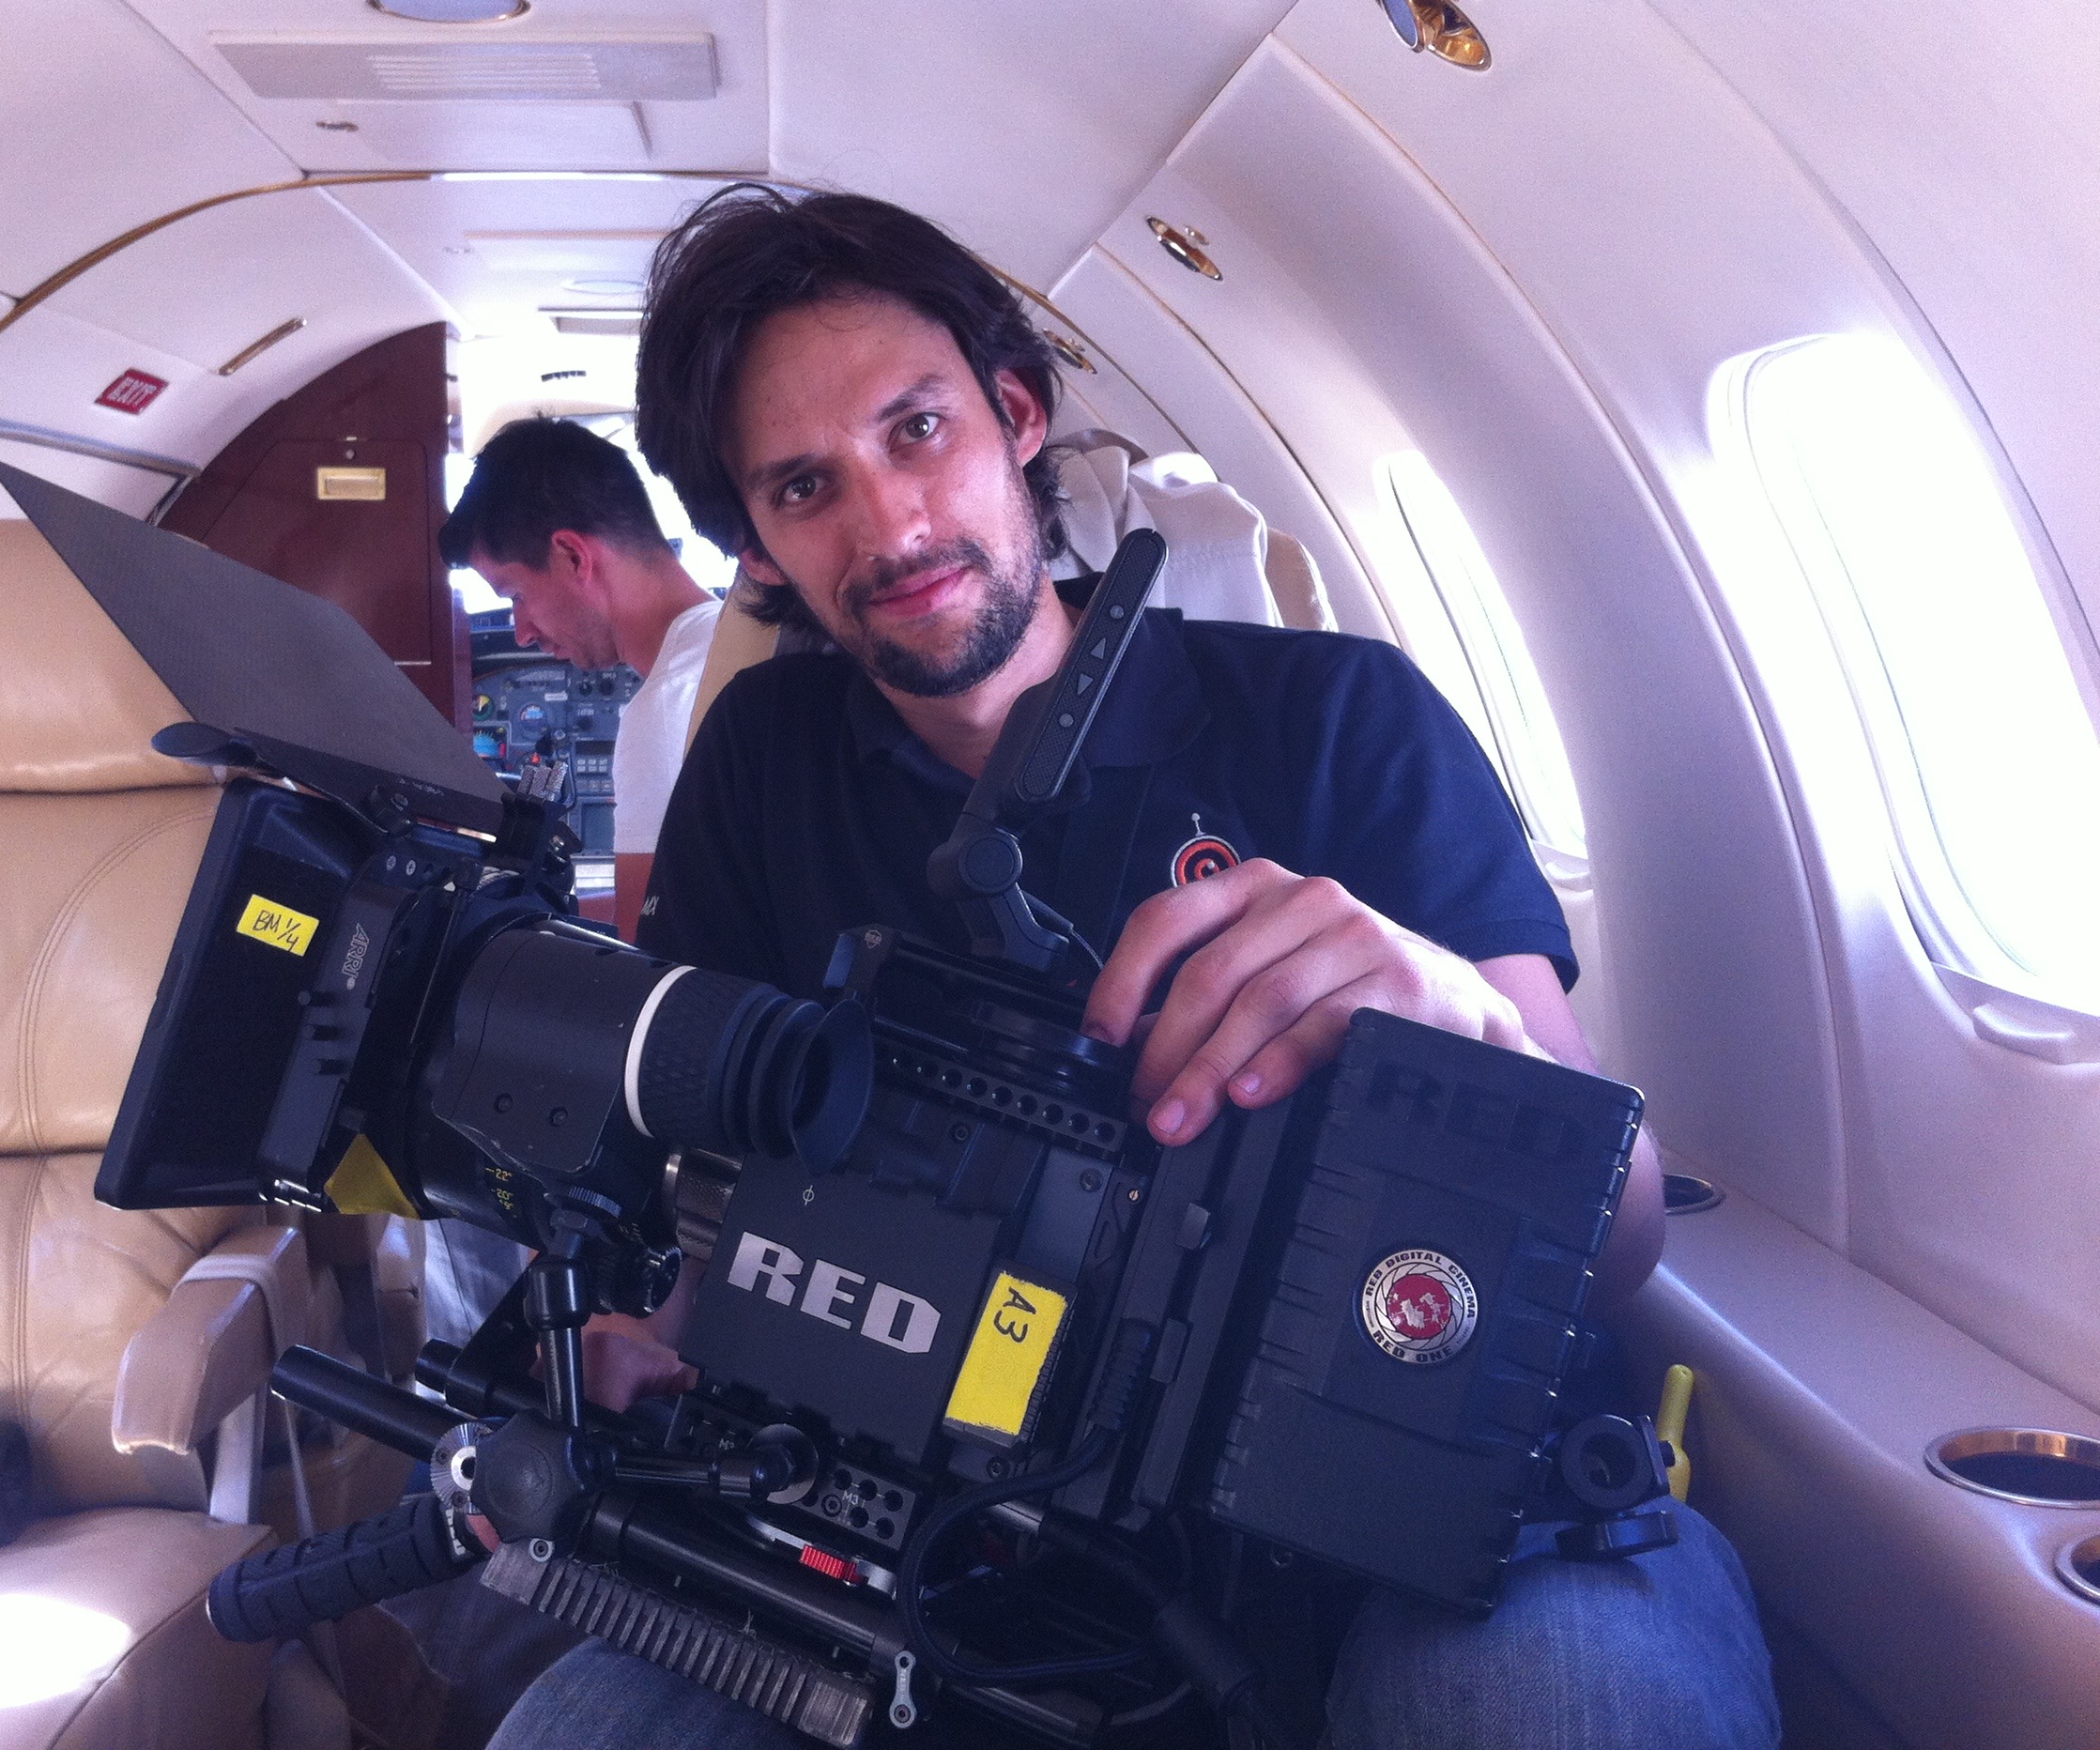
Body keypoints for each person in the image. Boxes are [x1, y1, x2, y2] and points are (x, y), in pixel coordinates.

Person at [488, 187, 1777, 1749]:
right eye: (805, 485)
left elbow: (1620, 1229)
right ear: (755, 540)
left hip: (1440, 1505)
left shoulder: (1336, 721)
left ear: (1016, 413)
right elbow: (729, 1191)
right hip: (957, 1532)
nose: (889, 525)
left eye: (916, 431)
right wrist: (649, 1352)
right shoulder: (761, 765)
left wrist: (1457, 1012)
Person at [440, 415, 718, 940]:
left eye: (515, 596)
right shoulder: (726, 645)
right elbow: (672, 898)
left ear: (572, 555)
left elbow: (645, 951)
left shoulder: (665, 708)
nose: (520, 633)